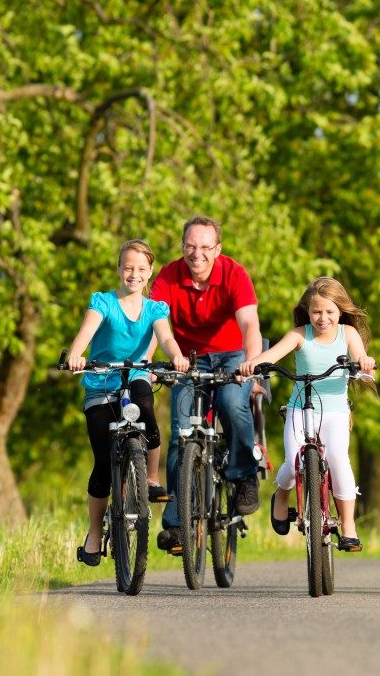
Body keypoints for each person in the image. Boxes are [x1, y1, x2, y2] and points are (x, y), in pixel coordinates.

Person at [66, 239, 190, 566]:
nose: (133, 274)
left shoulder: (155, 309)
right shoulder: (103, 302)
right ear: (119, 269)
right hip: (101, 381)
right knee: (103, 466)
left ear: (150, 272)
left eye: (140, 269)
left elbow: (165, 337)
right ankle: (94, 534)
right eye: (127, 267)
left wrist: (176, 356)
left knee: (146, 409)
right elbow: (87, 331)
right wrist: (77, 355)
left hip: (135, 374)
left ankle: (150, 477)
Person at [150, 216, 264, 554]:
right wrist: (154, 362)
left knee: (231, 403)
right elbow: (157, 323)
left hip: (233, 355)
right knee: (181, 433)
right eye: (190, 246)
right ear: (182, 246)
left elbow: (250, 324)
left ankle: (243, 475)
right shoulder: (169, 276)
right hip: (188, 357)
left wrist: (252, 364)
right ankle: (176, 525)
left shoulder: (234, 273)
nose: (196, 254)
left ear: (217, 249)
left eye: (204, 247)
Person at [238, 277, 376, 552]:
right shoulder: (300, 335)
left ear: (340, 311)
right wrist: (251, 365)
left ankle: (348, 525)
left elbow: (362, 358)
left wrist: (365, 363)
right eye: (316, 312)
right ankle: (282, 496)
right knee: (292, 461)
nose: (323, 318)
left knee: (338, 460)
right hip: (300, 409)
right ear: (308, 311)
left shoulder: (347, 334)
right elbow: (273, 355)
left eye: (329, 312)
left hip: (335, 411)